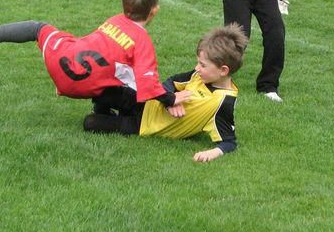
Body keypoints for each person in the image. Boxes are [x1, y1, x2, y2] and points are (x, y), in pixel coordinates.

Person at [0, 0, 192, 128]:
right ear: (154, 11)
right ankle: (105, 118)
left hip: (63, 59)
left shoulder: (115, 20)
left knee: (38, 29)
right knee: (133, 87)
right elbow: (148, 85)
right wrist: (171, 99)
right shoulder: (142, 41)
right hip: (83, 82)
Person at [84, 25, 247, 163]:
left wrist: (212, 153)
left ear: (223, 70)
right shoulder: (198, 76)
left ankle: (113, 116)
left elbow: (229, 142)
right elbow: (171, 81)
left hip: (143, 125)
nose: (197, 68)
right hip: (147, 102)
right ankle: (107, 111)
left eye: (203, 65)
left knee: (90, 123)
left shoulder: (222, 102)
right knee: (100, 89)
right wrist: (170, 101)